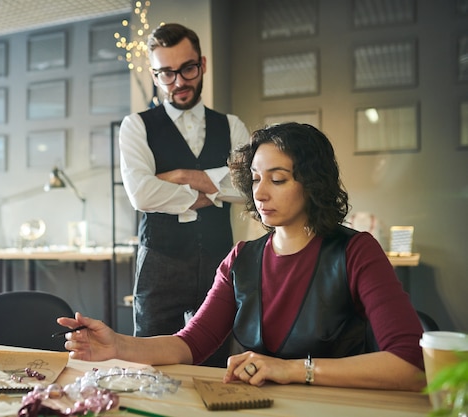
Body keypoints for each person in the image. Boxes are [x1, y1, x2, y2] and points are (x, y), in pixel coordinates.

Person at [58, 122, 425, 391]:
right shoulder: (242, 259)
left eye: (277, 179)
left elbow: (409, 363)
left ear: (313, 184)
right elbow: (190, 343)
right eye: (254, 178)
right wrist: (118, 345)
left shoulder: (356, 251)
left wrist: (292, 370)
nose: (260, 193)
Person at [118, 22, 249, 366]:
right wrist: (213, 190)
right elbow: (142, 195)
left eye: (187, 69)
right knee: (149, 363)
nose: (178, 82)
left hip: (221, 262)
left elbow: (248, 186)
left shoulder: (232, 126)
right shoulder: (136, 126)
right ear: (154, 74)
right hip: (160, 262)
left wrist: (179, 177)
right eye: (166, 73)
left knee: (216, 362)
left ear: (202, 64)